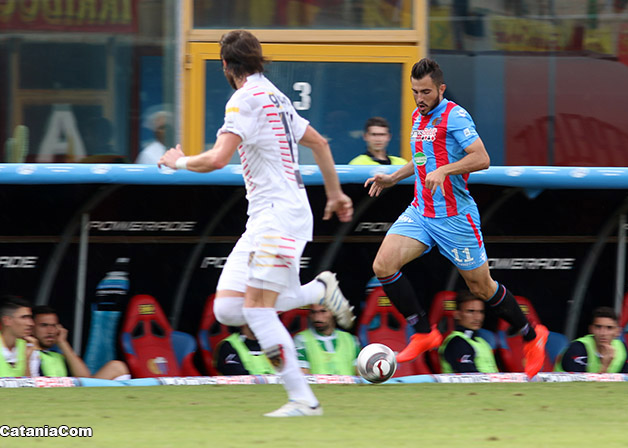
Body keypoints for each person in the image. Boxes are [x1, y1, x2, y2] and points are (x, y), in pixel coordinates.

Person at [158, 30, 354, 417]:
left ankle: (304, 400)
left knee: (259, 311)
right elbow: (320, 143)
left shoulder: (244, 99)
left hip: (277, 218)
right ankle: (318, 290)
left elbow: (217, 159)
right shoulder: (276, 96)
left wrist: (176, 161)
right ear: (258, 59)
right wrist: (333, 193)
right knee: (228, 310)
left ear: (225, 65)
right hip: (269, 218)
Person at [363, 58, 547, 378]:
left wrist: (445, 170)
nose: (420, 98)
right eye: (415, 92)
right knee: (383, 266)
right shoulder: (417, 117)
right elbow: (422, 159)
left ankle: (532, 336)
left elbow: (482, 158)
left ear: (441, 89)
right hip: (421, 212)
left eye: (426, 92)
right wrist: (394, 177)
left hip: (455, 218)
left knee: (482, 288)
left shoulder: (455, 116)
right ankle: (424, 332)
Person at [31, 306, 131, 380]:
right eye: (44, 325)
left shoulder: (58, 356)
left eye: (54, 326)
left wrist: (62, 342)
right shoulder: (28, 352)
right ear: (32, 327)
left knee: (117, 367)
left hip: (71, 394)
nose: (50, 331)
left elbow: (85, 379)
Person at [555, 306, 628, 373]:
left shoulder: (622, 349)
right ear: (591, 329)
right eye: (598, 327)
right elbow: (578, 383)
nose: (603, 333)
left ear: (618, 332)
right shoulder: (577, 348)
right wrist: (604, 367)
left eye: (609, 328)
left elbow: (625, 381)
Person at [438, 291, 497, 373]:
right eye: (471, 311)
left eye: (481, 312)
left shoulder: (482, 341)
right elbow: (469, 377)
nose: (477, 318)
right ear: (457, 314)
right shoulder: (456, 342)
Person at [294, 304, 360, 375]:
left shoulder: (351, 340)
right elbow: (303, 375)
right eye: (313, 312)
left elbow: (360, 373)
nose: (317, 318)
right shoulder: (301, 339)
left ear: (334, 312)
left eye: (323, 311)